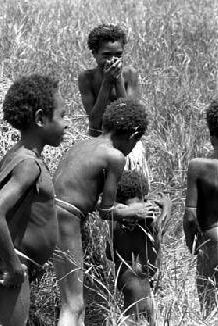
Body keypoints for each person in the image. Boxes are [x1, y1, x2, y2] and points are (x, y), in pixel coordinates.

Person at [52, 98, 157, 326]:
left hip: (49, 212)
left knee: (72, 299)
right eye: (135, 143)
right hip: (66, 217)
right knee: (73, 304)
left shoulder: (83, 144)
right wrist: (134, 212)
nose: (131, 150)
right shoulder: (115, 157)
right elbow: (105, 210)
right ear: (133, 136)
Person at [0, 74, 68, 326]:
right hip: (13, 267)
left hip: (15, 264)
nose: (67, 124)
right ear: (41, 118)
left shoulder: (19, 156)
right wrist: (13, 265)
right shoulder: (29, 165)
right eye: (62, 116)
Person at [78, 24, 149, 180]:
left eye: (118, 54)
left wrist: (118, 82)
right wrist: (106, 84)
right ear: (94, 53)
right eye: (106, 55)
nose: (113, 60)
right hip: (101, 142)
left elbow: (132, 116)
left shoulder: (129, 74)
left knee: (131, 189)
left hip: (127, 143)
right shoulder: (87, 78)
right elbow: (94, 121)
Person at [106, 170, 172, 326]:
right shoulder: (146, 213)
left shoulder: (116, 218)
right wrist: (168, 208)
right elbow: (159, 230)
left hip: (128, 287)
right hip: (141, 290)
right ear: (144, 193)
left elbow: (109, 253)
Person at [183, 97, 218, 316]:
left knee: (208, 306)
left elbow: (189, 217)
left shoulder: (198, 167)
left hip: (212, 241)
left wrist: (191, 244)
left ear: (210, 133)